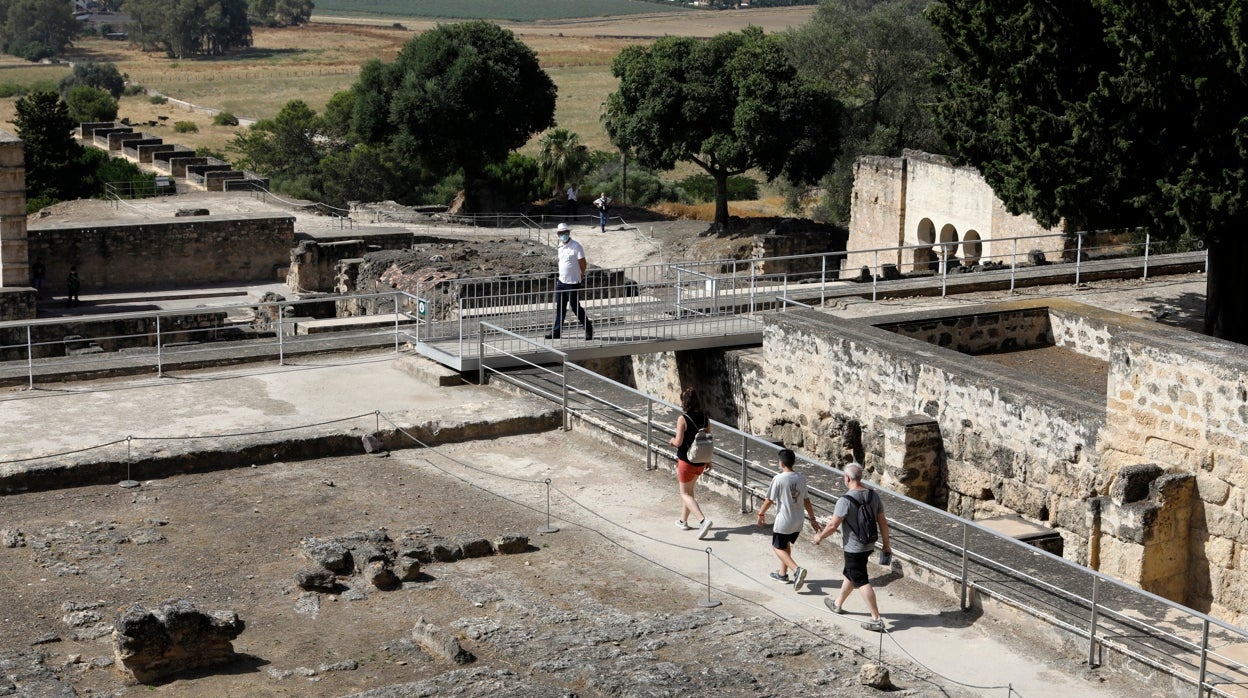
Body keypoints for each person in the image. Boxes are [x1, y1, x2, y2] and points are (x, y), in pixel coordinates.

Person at [812, 462, 892, 632]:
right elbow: (883, 522)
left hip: (854, 547)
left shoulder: (845, 500)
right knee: (851, 573)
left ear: (847, 478)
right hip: (869, 543)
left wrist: (820, 536)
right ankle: (837, 603)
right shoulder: (873, 495)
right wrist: (886, 544)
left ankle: (876, 619)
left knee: (861, 579)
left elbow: (833, 525)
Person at [756, 449, 820, 591]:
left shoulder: (778, 479)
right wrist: (812, 518)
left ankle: (796, 570)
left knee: (777, 547)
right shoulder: (801, 478)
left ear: (781, 463)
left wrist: (760, 514)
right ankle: (782, 574)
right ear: (794, 462)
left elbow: (769, 500)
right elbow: (807, 500)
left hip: (784, 520)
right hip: (798, 520)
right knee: (785, 545)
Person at [670, 387, 714, 539]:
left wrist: (671, 441)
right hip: (700, 461)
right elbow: (708, 439)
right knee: (690, 491)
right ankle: (683, 521)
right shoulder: (705, 417)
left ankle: (703, 520)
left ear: (685, 402)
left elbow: (678, 441)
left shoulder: (683, 418)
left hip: (686, 461)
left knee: (684, 493)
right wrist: (709, 460)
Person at [544, 223, 594, 341]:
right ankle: (556, 331)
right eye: (561, 233)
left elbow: (583, 264)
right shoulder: (560, 246)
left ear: (568, 233)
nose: (563, 235)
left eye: (565, 233)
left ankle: (588, 329)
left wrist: (580, 275)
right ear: (558, 234)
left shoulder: (576, 246)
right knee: (560, 307)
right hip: (561, 282)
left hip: (572, 282)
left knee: (575, 307)